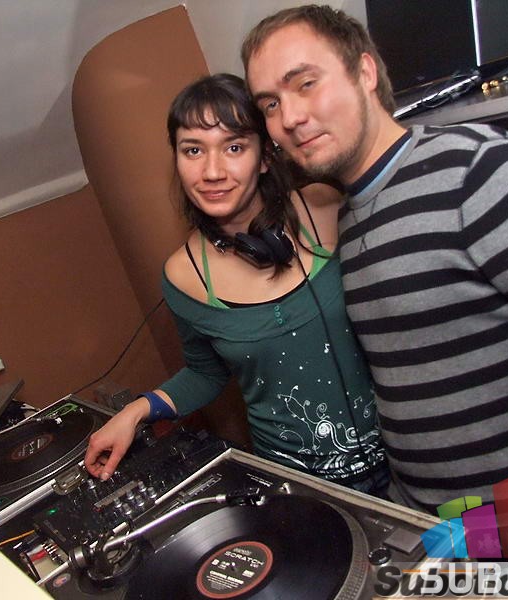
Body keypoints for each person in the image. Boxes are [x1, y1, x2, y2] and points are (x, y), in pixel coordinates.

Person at [242, 5, 508, 557]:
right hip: (443, 538)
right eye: (270, 104)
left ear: (364, 71)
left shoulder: (481, 172)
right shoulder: (351, 215)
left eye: (305, 83)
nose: (289, 117)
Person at [84, 73, 389, 496]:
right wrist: (135, 411)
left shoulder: (324, 208)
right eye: (193, 150)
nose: (212, 171)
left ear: (264, 156)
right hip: (296, 489)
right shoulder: (184, 276)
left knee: (469, 538)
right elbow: (205, 374)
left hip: (410, 454)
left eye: (234, 147)